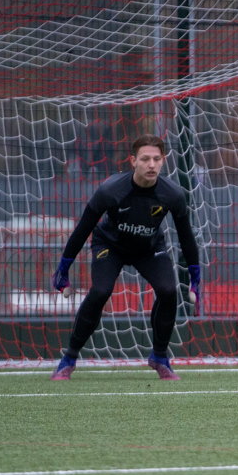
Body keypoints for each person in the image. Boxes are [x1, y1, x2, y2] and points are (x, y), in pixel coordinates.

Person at [49, 134, 201, 381]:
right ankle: (69, 359)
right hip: (110, 245)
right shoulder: (111, 190)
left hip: (149, 248)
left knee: (168, 291)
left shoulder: (173, 194)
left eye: (156, 159)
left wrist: (195, 277)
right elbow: (83, 230)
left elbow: (186, 238)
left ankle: (160, 357)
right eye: (144, 159)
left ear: (163, 161)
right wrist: (63, 269)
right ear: (133, 161)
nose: (151, 164)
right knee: (100, 291)